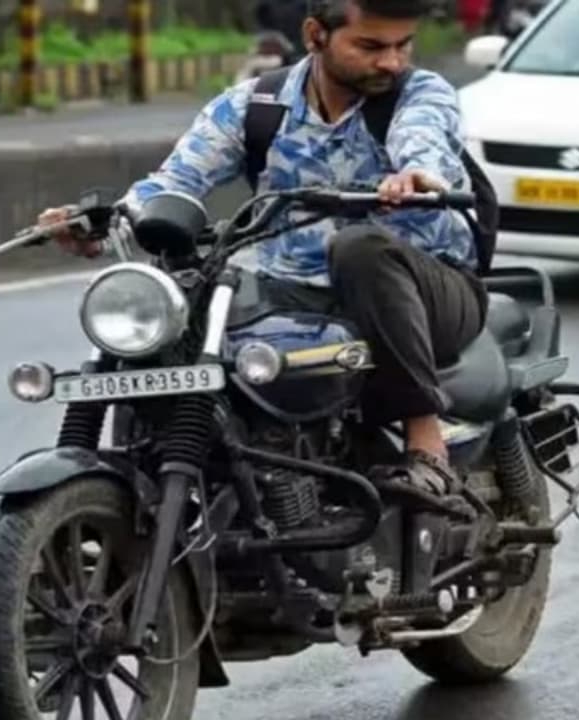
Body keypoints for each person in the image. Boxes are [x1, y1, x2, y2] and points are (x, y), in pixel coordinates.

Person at [38, 0, 487, 496]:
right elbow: (176, 181)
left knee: (358, 248)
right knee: (190, 295)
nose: (392, 62)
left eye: (403, 46)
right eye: (371, 46)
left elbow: (424, 139)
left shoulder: (419, 94)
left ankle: (425, 441)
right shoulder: (254, 106)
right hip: (295, 295)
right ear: (315, 35)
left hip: (427, 293)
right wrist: (98, 223)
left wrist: (417, 175)